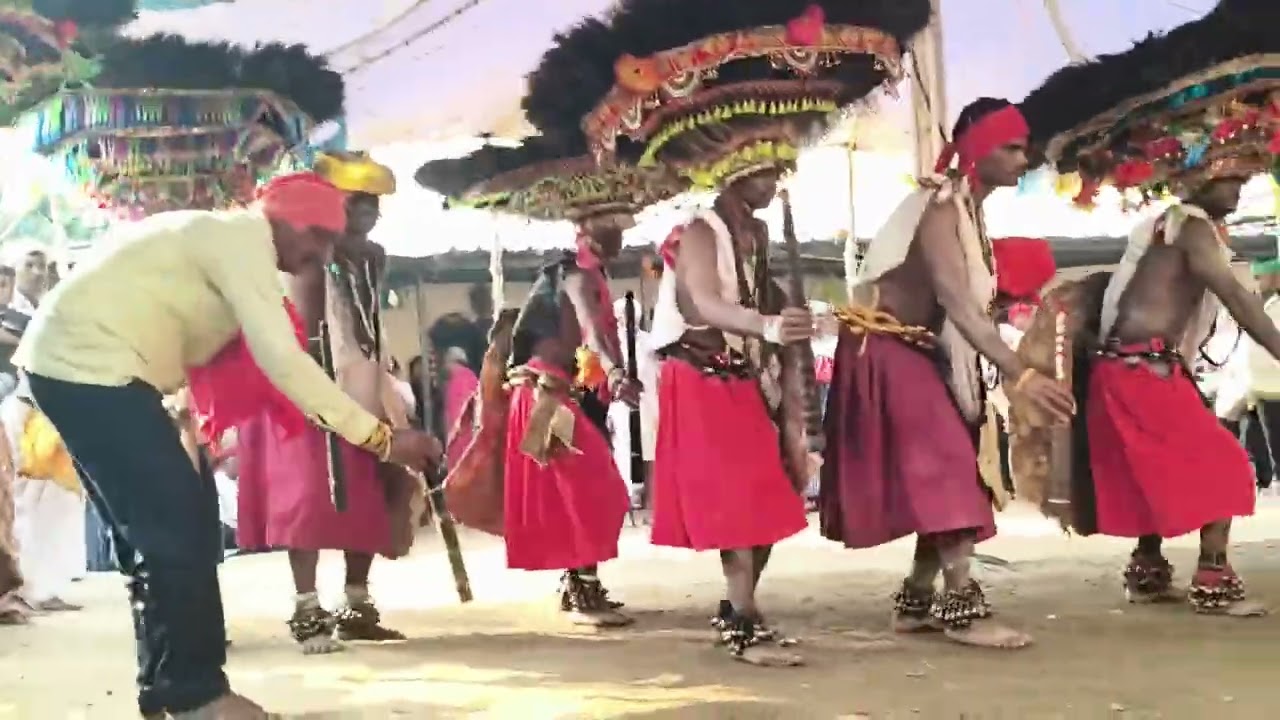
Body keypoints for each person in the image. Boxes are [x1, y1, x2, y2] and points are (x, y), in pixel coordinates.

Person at [523, 0, 934, 664]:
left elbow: (763, 303)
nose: (776, 182)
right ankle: (742, 621)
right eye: (766, 173)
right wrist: (768, 322)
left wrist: (819, 321)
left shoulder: (758, 233)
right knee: (744, 508)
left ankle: (737, 613)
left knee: (772, 504)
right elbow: (707, 303)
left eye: (779, 171)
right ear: (736, 175)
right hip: (697, 379)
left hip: (741, 379)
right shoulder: (698, 232)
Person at [15, 171, 441, 719]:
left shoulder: (226, 240)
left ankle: (167, 690)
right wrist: (382, 439)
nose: (319, 256)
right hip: (90, 369)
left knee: (161, 535)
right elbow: (284, 359)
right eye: (318, 240)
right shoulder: (241, 243)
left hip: (84, 369)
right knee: (179, 533)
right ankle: (199, 696)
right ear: (291, 223)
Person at [1017, 0, 1279, 617]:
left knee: (1152, 472)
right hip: (1138, 371)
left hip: (1136, 369)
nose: (1239, 191)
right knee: (1227, 470)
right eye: (1231, 181)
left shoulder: (1178, 224)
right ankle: (1213, 579)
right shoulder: (1188, 226)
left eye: (1245, 180)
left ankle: (1147, 568)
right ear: (1199, 176)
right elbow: (1240, 299)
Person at [821, 99, 1075, 651]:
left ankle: (915, 601)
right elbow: (959, 306)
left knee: (951, 468)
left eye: (1023, 145)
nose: (1022, 156)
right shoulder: (939, 208)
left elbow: (970, 309)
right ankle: (962, 607)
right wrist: (1021, 375)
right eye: (1010, 146)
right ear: (978, 148)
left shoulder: (969, 211)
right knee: (951, 469)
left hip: (916, 351)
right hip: (887, 347)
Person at [418, 131, 677, 625]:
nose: (619, 237)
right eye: (611, 229)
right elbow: (597, 334)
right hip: (544, 398)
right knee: (590, 488)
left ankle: (580, 584)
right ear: (590, 233)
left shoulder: (581, 273)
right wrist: (619, 371)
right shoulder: (578, 276)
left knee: (582, 490)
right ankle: (581, 588)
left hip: (549, 393)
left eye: (620, 228)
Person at [227, 152, 426, 655]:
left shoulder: (373, 256)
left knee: (369, 495)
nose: (368, 212)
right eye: (357, 202)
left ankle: (356, 605)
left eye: (374, 203)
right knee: (310, 501)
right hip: (310, 394)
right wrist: (322, 404)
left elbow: (367, 328)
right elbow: (305, 340)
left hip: (364, 388)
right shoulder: (309, 260)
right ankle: (307, 608)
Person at [2, 378, 86, 612]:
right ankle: (30, 592)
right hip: (31, 480)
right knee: (32, 534)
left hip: (57, 479)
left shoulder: (50, 405)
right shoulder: (15, 406)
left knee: (55, 537)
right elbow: (12, 445)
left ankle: (47, 591)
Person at [441, 346, 478, 469]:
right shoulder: (472, 379)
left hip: (458, 439)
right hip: (469, 438)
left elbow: (451, 414)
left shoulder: (455, 382)